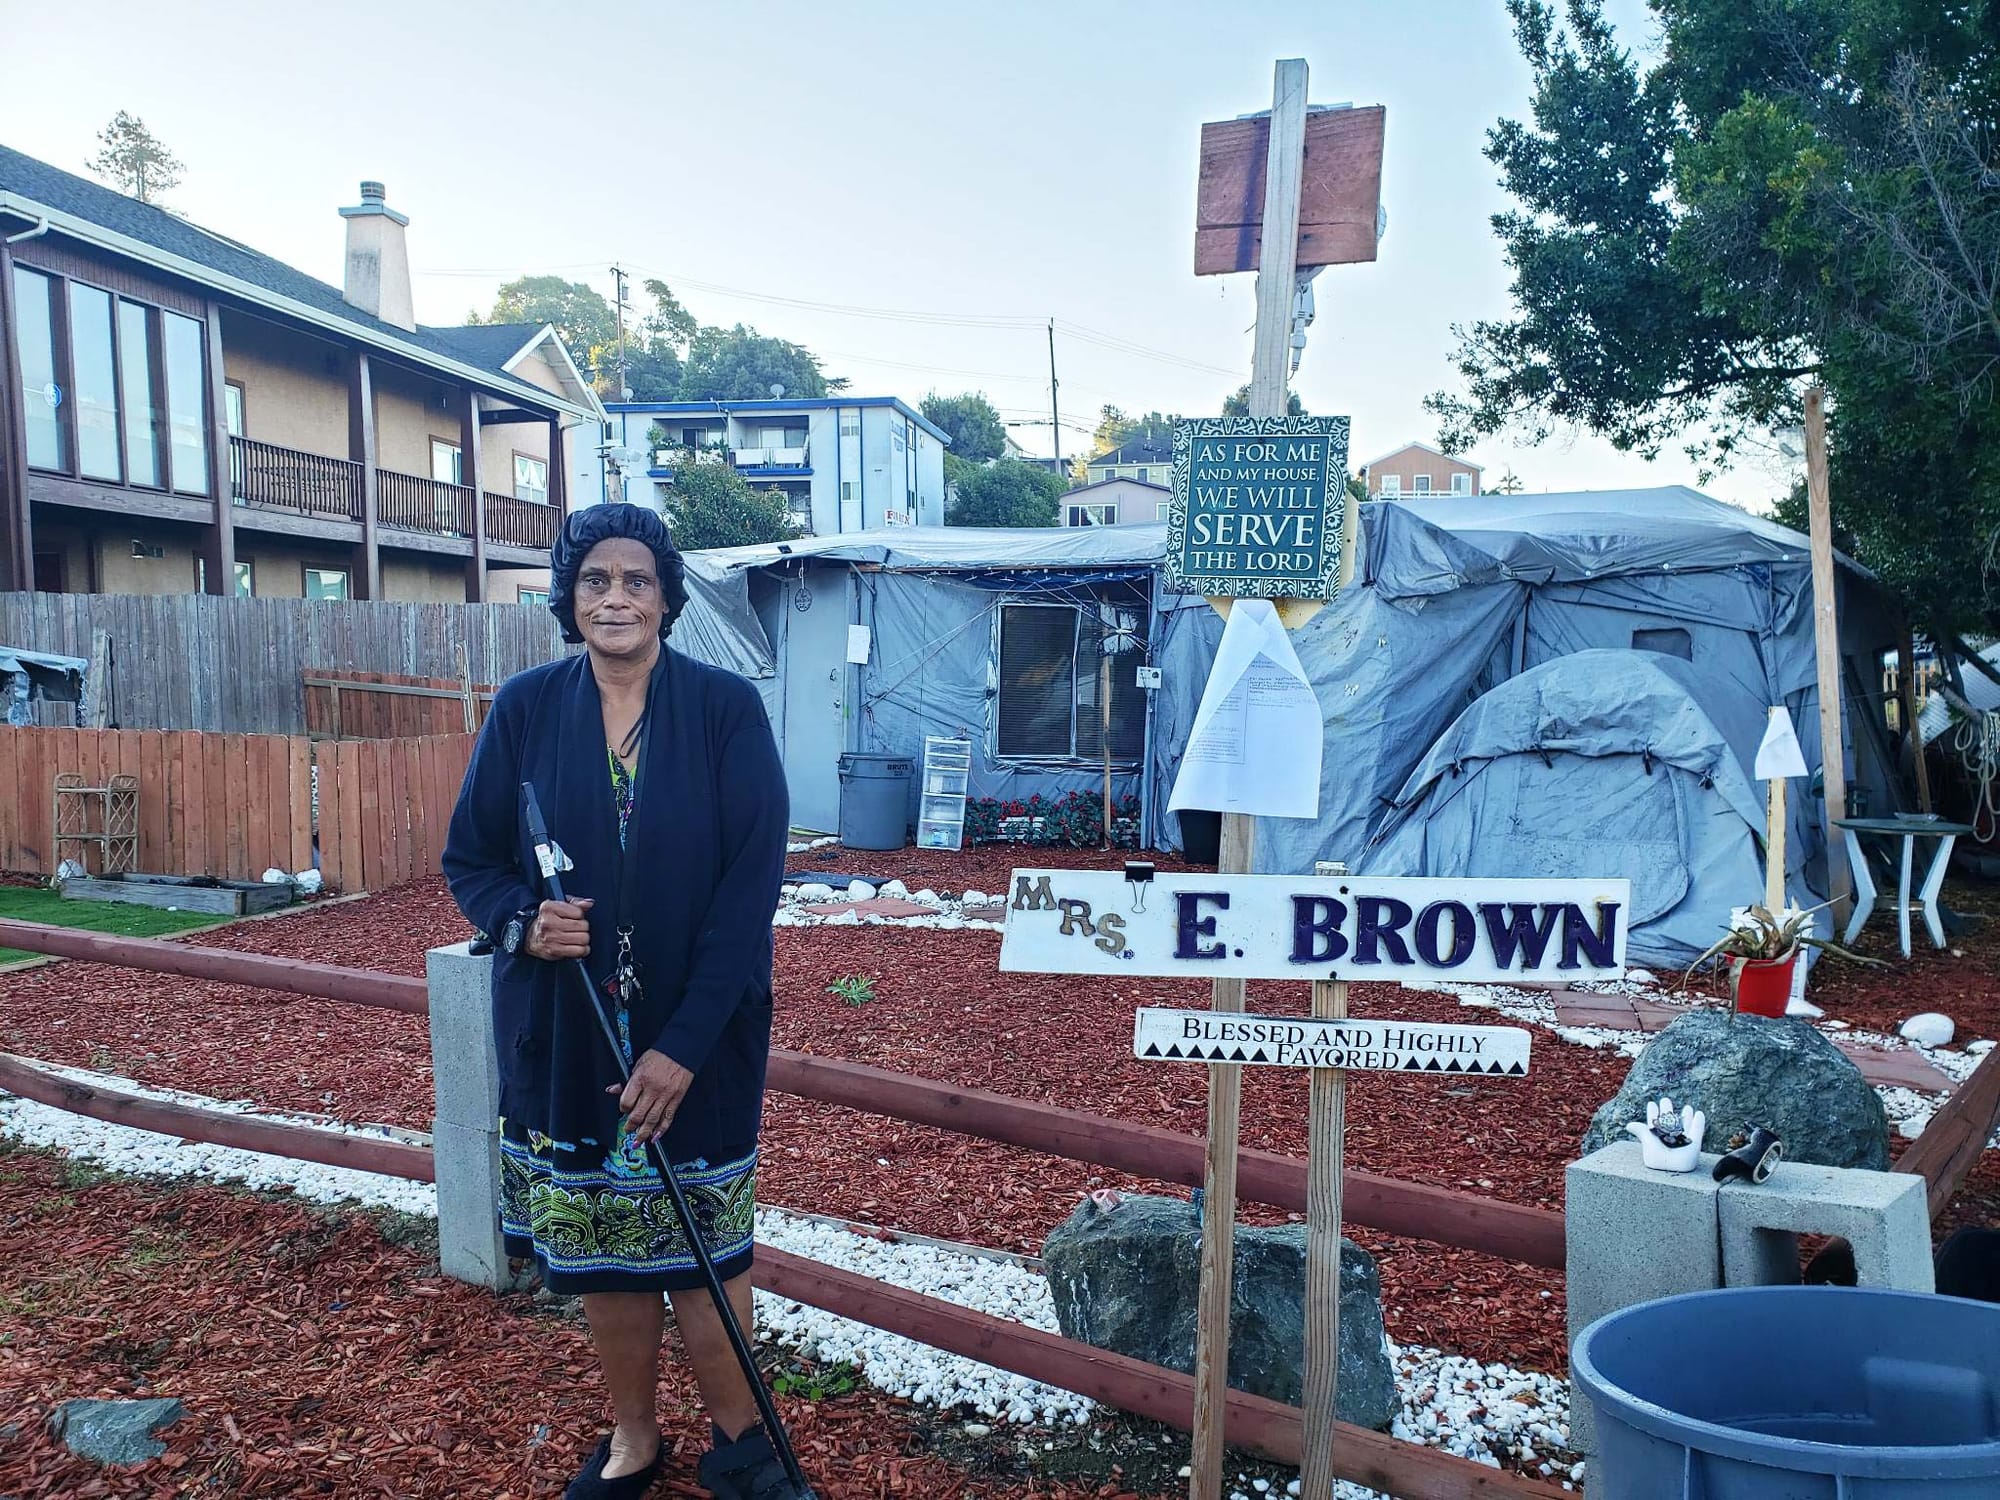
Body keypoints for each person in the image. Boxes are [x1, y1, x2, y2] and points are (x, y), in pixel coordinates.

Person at [443, 503, 802, 1500]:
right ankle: (634, 1440)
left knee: (706, 1251)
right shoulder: (524, 709)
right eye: (594, 578)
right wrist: (522, 920)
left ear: (666, 597)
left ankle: (742, 1443)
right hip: (571, 1039)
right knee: (603, 1255)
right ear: (568, 596)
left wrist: (683, 1047)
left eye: (635, 579)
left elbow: (747, 894)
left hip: (703, 1037)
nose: (614, 596)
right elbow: (470, 858)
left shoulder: (725, 710)